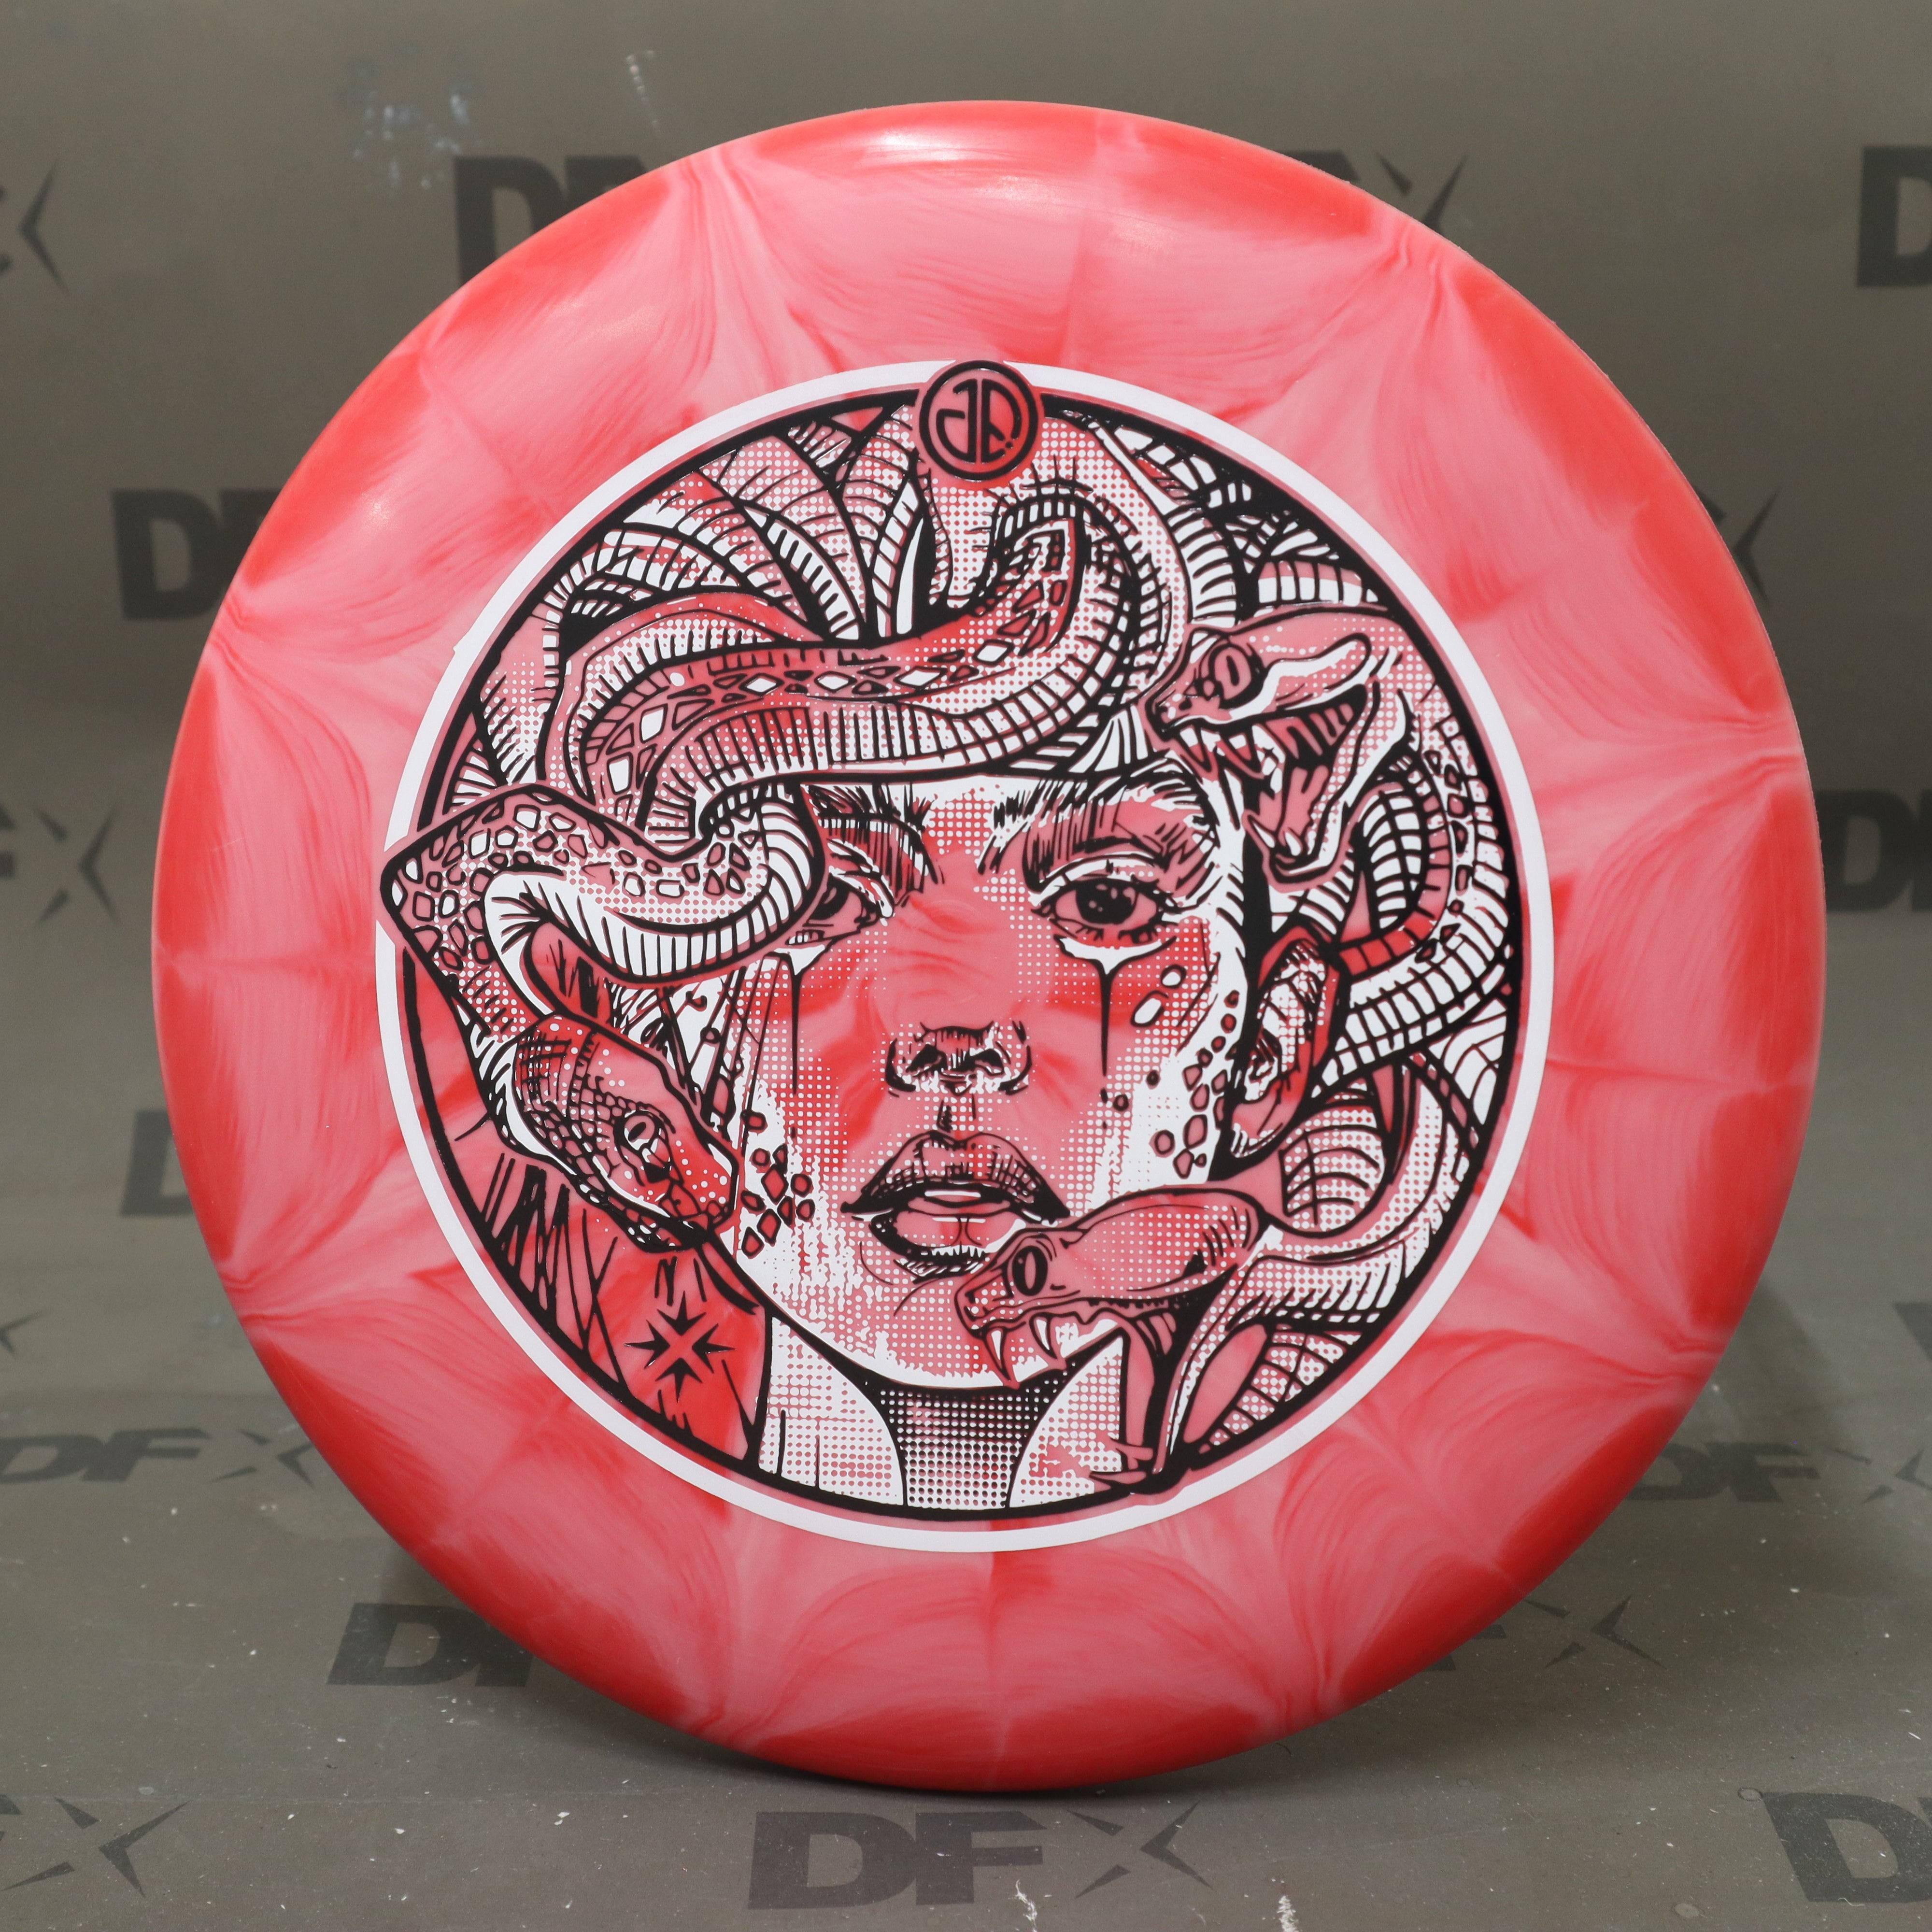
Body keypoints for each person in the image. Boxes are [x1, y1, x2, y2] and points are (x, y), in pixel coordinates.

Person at [383, 370, 1520, 1520]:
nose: (955, 1036)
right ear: (657, 1020)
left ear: (1271, 1043)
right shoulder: (553, 1492)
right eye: (822, 905)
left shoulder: (1395, 1466)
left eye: (1107, 903)